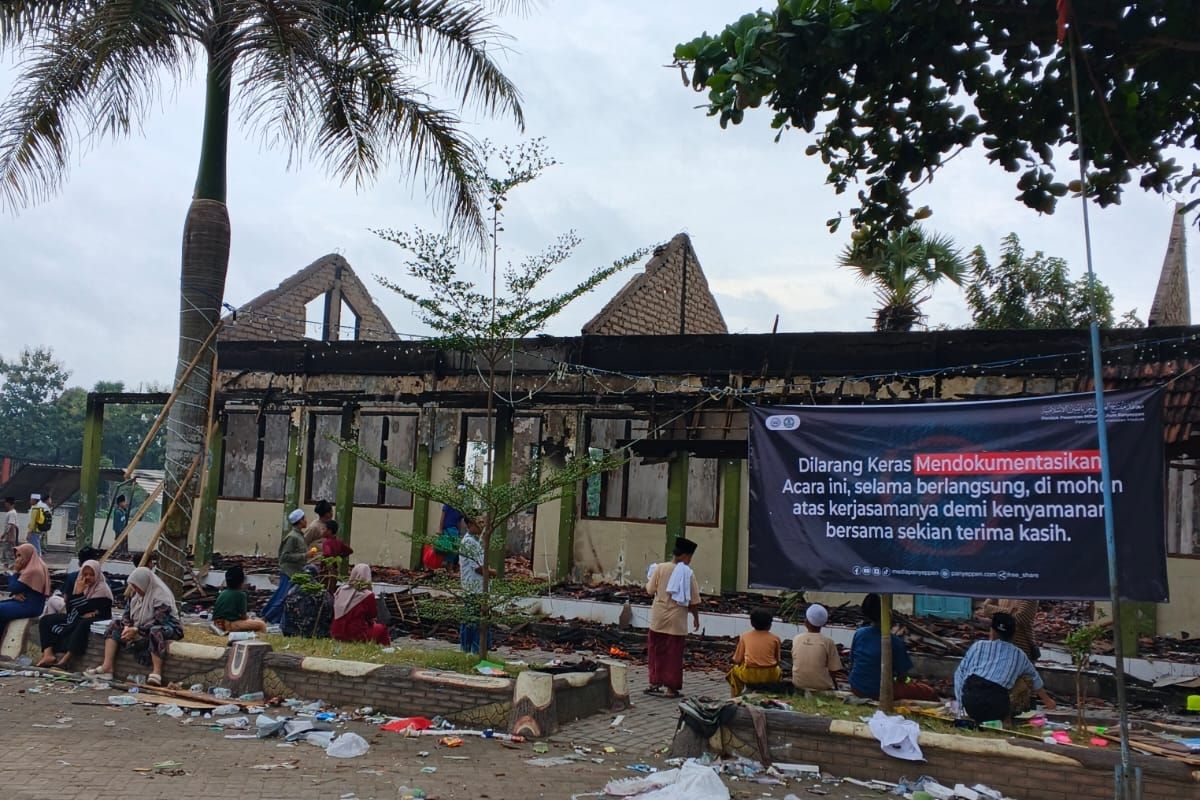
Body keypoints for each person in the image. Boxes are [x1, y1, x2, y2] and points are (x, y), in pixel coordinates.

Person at [955, 612, 1057, 726]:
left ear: (992, 631)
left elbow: (960, 674)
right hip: (996, 708)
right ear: (1013, 635)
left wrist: (961, 704)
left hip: (970, 702)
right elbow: (1035, 678)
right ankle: (1006, 719)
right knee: (1025, 680)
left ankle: (976, 716)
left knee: (969, 678)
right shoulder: (1019, 655)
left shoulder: (978, 646)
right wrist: (1048, 701)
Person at [86, 567, 182, 686]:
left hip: (168, 627)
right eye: (134, 587)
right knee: (114, 625)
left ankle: (156, 673)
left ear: (144, 583)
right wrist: (127, 627)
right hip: (139, 627)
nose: (135, 590)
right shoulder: (135, 594)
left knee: (155, 631)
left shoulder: (161, 596)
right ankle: (107, 667)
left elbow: (160, 621)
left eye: (137, 587)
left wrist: (137, 630)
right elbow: (127, 614)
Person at [848, 593, 939, 701]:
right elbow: (903, 676)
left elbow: (852, 662)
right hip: (878, 691)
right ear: (886, 613)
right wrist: (904, 682)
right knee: (928, 692)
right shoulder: (894, 641)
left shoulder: (859, 633)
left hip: (856, 686)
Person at [644, 537, 701, 699]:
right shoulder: (688, 573)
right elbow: (693, 600)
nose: (690, 560)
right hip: (677, 620)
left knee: (656, 650)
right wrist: (696, 618)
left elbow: (650, 590)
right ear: (684, 556)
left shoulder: (660, 568)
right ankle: (670, 688)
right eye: (690, 557)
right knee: (673, 654)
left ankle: (654, 683)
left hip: (659, 617)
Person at [37, 558, 113, 669]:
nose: (87, 577)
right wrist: (78, 593)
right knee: (46, 620)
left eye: (91, 575)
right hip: (79, 615)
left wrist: (79, 597)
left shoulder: (102, 589)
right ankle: (48, 654)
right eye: (85, 574)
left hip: (99, 618)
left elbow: (87, 609)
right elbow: (71, 608)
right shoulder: (80, 585)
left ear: (97, 574)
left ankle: (66, 659)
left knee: (82, 624)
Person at [262, 508, 307, 624]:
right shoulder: (293, 537)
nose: (306, 521)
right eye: (304, 519)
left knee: (281, 596)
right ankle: (267, 617)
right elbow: (285, 556)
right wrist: (304, 555)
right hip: (289, 572)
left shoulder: (299, 536)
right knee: (283, 598)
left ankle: (268, 615)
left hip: (295, 571)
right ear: (300, 521)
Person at [458, 516, 494, 654]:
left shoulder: (475, 541)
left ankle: (476, 650)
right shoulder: (469, 543)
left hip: (478, 587)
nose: (482, 525)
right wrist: (492, 572)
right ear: (471, 524)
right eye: (479, 523)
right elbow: (477, 568)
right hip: (473, 588)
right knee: (472, 621)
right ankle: (470, 650)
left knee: (477, 620)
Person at [727, 607, 782, 696]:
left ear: (752, 623)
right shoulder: (775, 638)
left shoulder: (745, 636)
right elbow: (778, 660)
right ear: (770, 624)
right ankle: (775, 694)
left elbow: (737, 659)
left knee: (733, 673)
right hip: (770, 674)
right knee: (779, 672)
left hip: (749, 674)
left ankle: (734, 697)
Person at [330, 564, 390, 645]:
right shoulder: (367, 595)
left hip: (336, 631)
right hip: (355, 633)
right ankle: (385, 649)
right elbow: (372, 615)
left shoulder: (341, 590)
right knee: (381, 629)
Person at [791, 603, 844, 692]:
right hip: (822, 687)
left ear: (806, 622)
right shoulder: (828, 642)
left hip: (798, 684)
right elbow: (834, 670)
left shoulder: (796, 638)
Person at [0, 543, 51, 626]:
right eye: (17, 556)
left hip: (30, 606)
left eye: (20, 555)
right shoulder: (36, 565)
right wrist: (16, 594)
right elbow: (21, 587)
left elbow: (13, 587)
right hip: (27, 603)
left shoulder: (33, 570)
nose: (17, 559)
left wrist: (15, 571)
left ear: (28, 555)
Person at [211, 565, 267, 634]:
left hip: (217, 623)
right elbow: (244, 617)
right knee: (261, 624)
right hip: (229, 625)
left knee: (255, 621)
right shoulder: (241, 594)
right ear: (241, 582)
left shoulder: (223, 593)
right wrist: (251, 619)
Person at [282, 564, 333, 638]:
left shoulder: (291, 591)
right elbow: (330, 612)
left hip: (293, 632)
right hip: (318, 632)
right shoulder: (323, 592)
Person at [2, 497, 18, 566]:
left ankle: (10, 566)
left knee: (8, 552)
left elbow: (11, 525)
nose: (4, 504)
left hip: (9, 536)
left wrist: (9, 536)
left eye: (5, 503)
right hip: (8, 536)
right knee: (6, 552)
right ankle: (7, 565)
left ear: (8, 503)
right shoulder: (11, 512)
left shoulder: (12, 513)